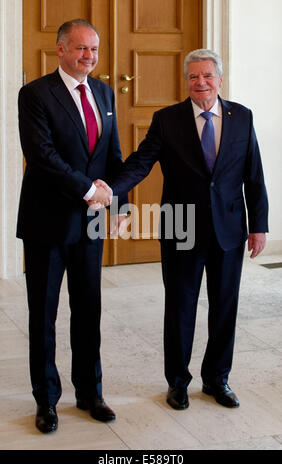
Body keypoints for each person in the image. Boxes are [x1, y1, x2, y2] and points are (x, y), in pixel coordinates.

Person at [107, 49, 269, 410]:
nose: (201, 83)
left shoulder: (241, 117)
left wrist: (259, 225)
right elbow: (141, 163)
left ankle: (217, 379)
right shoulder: (167, 120)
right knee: (181, 307)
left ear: (219, 80)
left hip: (229, 228)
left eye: (207, 76)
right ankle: (177, 382)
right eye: (194, 77)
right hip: (182, 227)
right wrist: (111, 189)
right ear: (186, 81)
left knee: (225, 307)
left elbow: (253, 175)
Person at [17, 18, 127, 433]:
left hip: (92, 225)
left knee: (88, 310)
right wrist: (88, 191)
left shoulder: (103, 91)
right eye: (81, 48)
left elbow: (113, 156)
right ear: (60, 49)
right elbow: (41, 156)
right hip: (47, 222)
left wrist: (119, 203)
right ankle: (46, 400)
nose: (89, 57)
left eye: (94, 50)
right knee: (43, 315)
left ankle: (89, 392)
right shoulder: (35, 94)